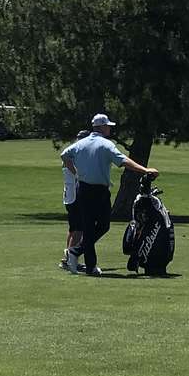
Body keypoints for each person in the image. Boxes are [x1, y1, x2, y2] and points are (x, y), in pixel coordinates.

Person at [60, 114, 158, 276]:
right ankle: (89, 266)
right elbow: (123, 160)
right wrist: (145, 170)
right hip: (97, 191)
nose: (110, 129)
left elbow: (64, 155)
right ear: (102, 127)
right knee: (94, 227)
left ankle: (75, 252)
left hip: (83, 189)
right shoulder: (106, 145)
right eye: (108, 126)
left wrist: (76, 173)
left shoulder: (81, 143)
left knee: (100, 226)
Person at [60, 130, 89, 272]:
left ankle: (67, 258)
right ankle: (72, 259)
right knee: (78, 229)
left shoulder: (74, 152)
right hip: (75, 195)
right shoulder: (74, 153)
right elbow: (69, 163)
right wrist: (79, 174)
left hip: (69, 196)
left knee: (73, 229)